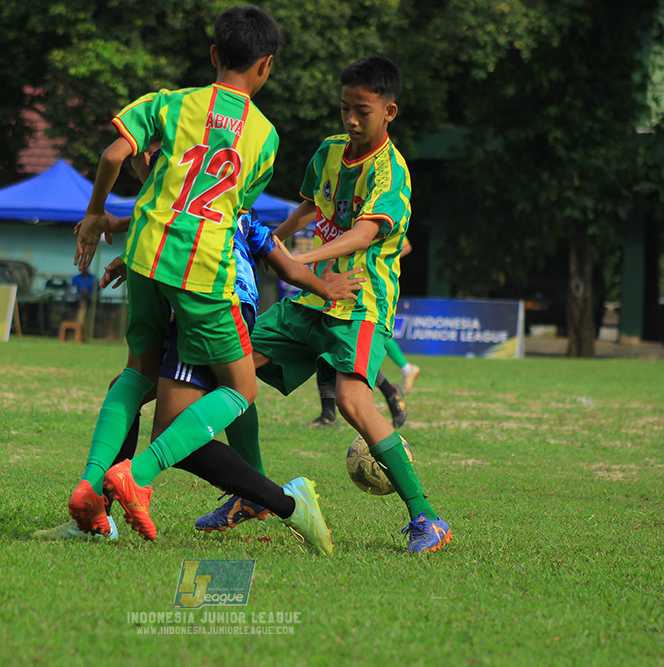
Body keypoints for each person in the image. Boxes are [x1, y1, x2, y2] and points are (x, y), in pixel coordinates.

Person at [66, 6, 341, 551]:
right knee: (240, 391)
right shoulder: (265, 137)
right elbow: (233, 212)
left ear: (214, 55)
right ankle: (136, 475)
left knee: (137, 369)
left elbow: (113, 154)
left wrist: (97, 216)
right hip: (205, 272)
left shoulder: (169, 104)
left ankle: (91, 484)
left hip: (146, 256)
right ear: (265, 67)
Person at [245, 55, 452, 553]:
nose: (351, 120)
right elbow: (314, 204)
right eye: (345, 109)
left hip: (361, 301)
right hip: (316, 295)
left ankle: (427, 517)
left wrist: (299, 259)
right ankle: (248, 491)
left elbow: (363, 232)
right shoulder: (329, 151)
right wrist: (277, 236)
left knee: (353, 400)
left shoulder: (393, 173)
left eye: (362, 110)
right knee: (235, 368)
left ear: (389, 112)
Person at [310, 238, 418, 428]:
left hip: (360, 290)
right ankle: (329, 413)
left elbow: (406, 246)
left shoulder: (375, 215)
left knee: (351, 352)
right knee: (328, 346)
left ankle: (392, 389)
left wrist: (379, 261)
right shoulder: (331, 212)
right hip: (327, 283)